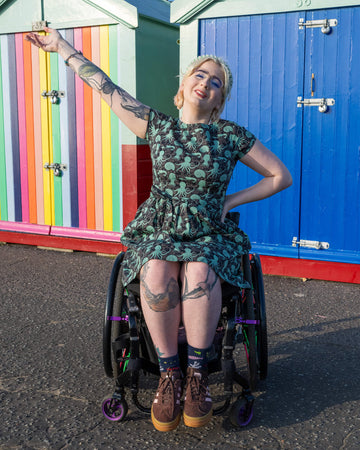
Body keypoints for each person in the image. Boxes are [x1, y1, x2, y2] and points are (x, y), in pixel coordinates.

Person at [26, 28, 292, 432]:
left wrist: (230, 201)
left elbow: (279, 176)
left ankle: (198, 377)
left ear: (220, 100)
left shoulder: (230, 135)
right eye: (199, 76)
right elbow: (106, 88)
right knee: (155, 270)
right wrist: (62, 47)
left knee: (199, 271)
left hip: (208, 232)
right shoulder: (156, 126)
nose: (206, 83)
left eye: (216, 82)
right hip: (160, 226)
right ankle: (170, 376)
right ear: (183, 87)